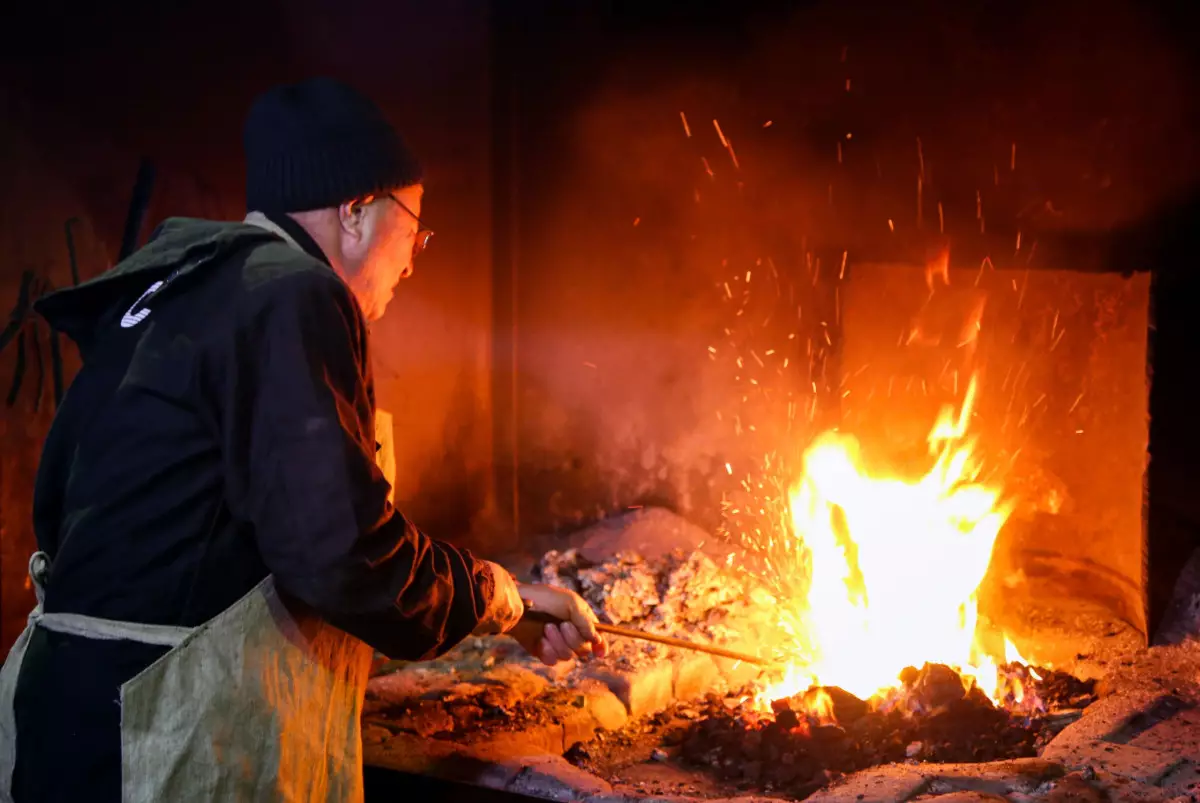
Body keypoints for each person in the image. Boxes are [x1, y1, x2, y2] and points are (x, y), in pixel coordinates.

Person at [0, 77, 606, 803]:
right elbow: (345, 553)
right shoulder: (294, 293)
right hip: (153, 742)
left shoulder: (177, 287)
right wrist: (498, 595)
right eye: (414, 227)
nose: (414, 259)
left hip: (62, 720)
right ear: (355, 210)